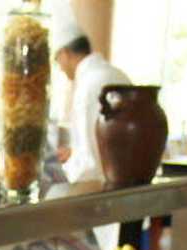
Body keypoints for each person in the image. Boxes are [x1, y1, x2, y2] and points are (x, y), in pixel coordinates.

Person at [52, 15, 131, 185]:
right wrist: (74, 153)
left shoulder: (88, 85)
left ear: (64, 54)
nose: (60, 68)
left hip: (101, 189)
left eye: (57, 60)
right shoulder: (118, 74)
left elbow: (91, 166)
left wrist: (57, 174)